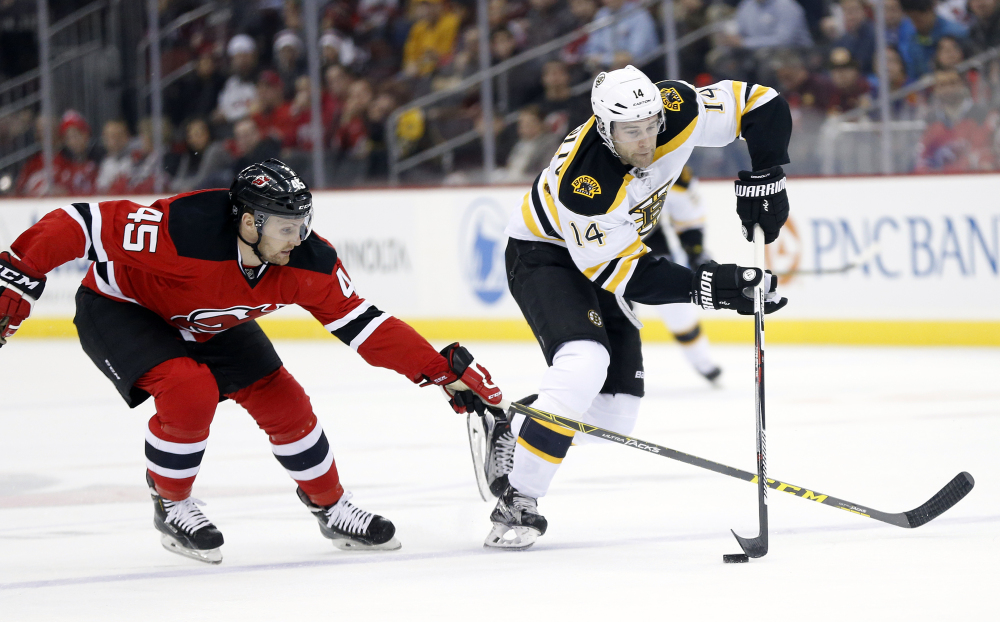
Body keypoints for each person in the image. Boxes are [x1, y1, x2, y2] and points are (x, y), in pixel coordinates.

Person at [0, 159, 505, 564]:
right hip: (123, 309)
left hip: (210, 321)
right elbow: (77, 223)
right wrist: (19, 272)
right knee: (188, 389)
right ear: (248, 221)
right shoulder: (182, 229)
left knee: (286, 401)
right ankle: (172, 503)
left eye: (303, 224)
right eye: (287, 227)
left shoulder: (309, 261)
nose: (298, 237)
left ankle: (331, 507)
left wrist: (439, 368)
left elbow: (365, 326)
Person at [480, 65, 791, 549]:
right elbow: (623, 275)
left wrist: (768, 175)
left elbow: (761, 102)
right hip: (546, 253)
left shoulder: (676, 108)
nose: (646, 141)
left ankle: (514, 423)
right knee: (585, 361)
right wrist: (717, 285)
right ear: (605, 127)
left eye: (650, 127)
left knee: (615, 416)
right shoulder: (585, 184)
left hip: (612, 251)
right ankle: (518, 497)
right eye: (631, 131)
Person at [642, 166, 721, 383]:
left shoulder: (666, 164)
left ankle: (702, 361)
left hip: (649, 243)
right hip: (594, 246)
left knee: (675, 305)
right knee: (608, 310)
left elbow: (687, 213)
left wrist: (695, 249)